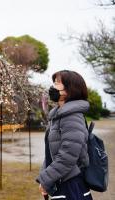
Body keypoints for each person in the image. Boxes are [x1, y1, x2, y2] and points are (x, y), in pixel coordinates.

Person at [36, 70, 93, 200]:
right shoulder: (59, 116)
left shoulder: (72, 117)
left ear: (70, 89)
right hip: (62, 183)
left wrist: (45, 179)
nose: (52, 87)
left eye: (57, 83)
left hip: (72, 187)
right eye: (53, 82)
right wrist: (45, 178)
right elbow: (51, 153)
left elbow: (68, 156)